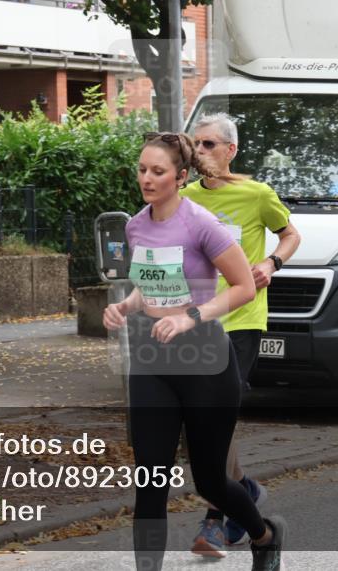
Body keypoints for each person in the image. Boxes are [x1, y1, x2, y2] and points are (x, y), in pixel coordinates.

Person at [103, 132, 286, 571]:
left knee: (209, 480)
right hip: (153, 360)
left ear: (180, 176)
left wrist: (192, 316)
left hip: (204, 359)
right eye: (142, 169)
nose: (147, 179)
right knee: (149, 479)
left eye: (158, 171)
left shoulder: (203, 223)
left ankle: (264, 536)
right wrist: (124, 307)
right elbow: (149, 290)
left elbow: (243, 287)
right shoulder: (135, 224)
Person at [181, 113, 301, 558]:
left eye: (209, 144)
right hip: (196, 322)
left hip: (242, 321)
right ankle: (243, 488)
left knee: (218, 419)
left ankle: (214, 521)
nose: (200, 152)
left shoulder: (256, 194)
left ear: (231, 151)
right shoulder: (184, 198)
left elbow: (290, 234)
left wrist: (272, 264)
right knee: (199, 425)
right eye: (196, 144)